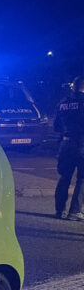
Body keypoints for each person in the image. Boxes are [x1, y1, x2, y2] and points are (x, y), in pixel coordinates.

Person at [53, 76, 84, 220]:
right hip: (82, 145)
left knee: (64, 177)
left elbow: (56, 126)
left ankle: (60, 210)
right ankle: (75, 211)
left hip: (66, 144)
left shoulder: (63, 103)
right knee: (82, 179)